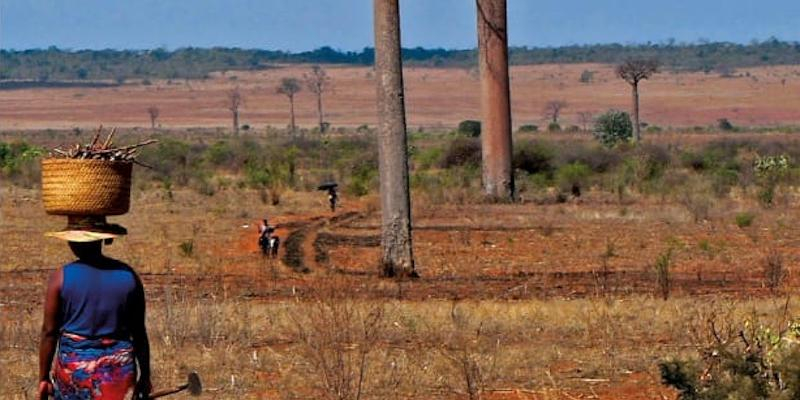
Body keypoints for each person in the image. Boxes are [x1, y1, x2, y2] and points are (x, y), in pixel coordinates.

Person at [38, 216, 151, 400]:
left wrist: (43, 378)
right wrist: (145, 375)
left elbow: (49, 332)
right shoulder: (128, 276)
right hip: (118, 373)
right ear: (102, 240)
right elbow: (139, 332)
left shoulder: (61, 277)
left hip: (74, 374)